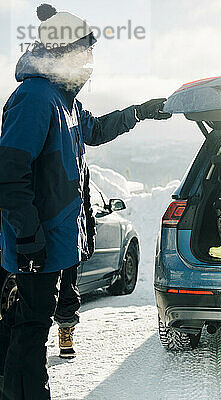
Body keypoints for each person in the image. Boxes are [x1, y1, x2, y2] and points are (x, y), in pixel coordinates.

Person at [0, 3, 171, 398]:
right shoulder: (36, 98)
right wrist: (28, 237)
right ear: (62, 53)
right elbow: (9, 173)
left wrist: (138, 113)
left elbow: (95, 129)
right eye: (85, 52)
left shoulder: (65, 101)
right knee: (29, 331)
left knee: (26, 324)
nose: (91, 62)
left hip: (53, 241)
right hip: (37, 243)